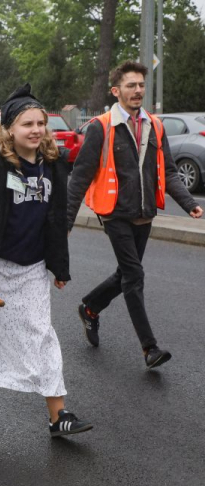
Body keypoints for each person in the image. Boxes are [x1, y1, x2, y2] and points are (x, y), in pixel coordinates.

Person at [0, 83, 92, 438]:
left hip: (33, 268)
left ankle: (58, 415)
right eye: (27, 124)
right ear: (9, 130)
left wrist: (59, 268)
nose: (36, 130)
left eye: (40, 123)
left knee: (42, 336)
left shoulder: (52, 165)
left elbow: (56, 219)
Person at [67, 61, 202, 369]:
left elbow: (167, 170)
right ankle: (149, 348)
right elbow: (80, 176)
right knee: (135, 276)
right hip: (114, 212)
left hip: (144, 213)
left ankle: (89, 307)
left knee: (126, 274)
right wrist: (66, 221)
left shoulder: (155, 125)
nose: (138, 90)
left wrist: (188, 202)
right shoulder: (101, 127)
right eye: (131, 85)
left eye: (141, 84)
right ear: (116, 91)